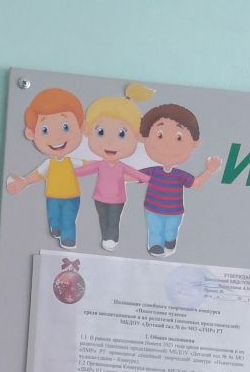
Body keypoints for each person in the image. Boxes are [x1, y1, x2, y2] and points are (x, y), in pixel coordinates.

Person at [73, 83, 153, 251]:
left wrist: (149, 179)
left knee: (113, 219)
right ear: (88, 131)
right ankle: (106, 237)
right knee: (103, 218)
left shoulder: (122, 166)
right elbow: (84, 171)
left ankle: (111, 238)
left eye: (122, 134)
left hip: (117, 199)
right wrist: (69, 172)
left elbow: (136, 174)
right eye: (101, 132)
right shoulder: (100, 164)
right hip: (99, 198)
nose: (110, 142)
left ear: (137, 137)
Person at [4, 87, 86, 248]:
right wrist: (24, 181)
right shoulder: (49, 163)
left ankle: (68, 237)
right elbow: (38, 174)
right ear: (32, 134)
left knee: (68, 218)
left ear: (81, 128)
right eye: (45, 129)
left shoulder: (72, 161)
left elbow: (88, 165)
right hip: (53, 196)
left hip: (72, 197)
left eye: (66, 127)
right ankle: (55, 227)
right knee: (54, 216)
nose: (57, 136)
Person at [137, 103, 221, 256]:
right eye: (160, 135)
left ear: (194, 143)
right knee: (155, 229)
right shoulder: (152, 171)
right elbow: (134, 176)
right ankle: (155, 245)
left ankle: (170, 240)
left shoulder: (180, 175)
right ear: (145, 138)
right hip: (152, 209)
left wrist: (209, 171)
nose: (168, 143)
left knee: (171, 230)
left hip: (174, 212)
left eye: (178, 137)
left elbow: (196, 184)